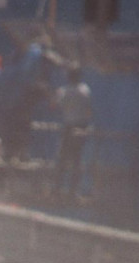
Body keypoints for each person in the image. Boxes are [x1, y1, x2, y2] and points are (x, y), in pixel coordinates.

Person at [53, 66, 93, 200]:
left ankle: (57, 190)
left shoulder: (64, 91)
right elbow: (89, 109)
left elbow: (55, 105)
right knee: (77, 160)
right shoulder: (85, 89)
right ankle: (73, 191)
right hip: (82, 127)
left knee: (63, 159)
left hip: (69, 127)